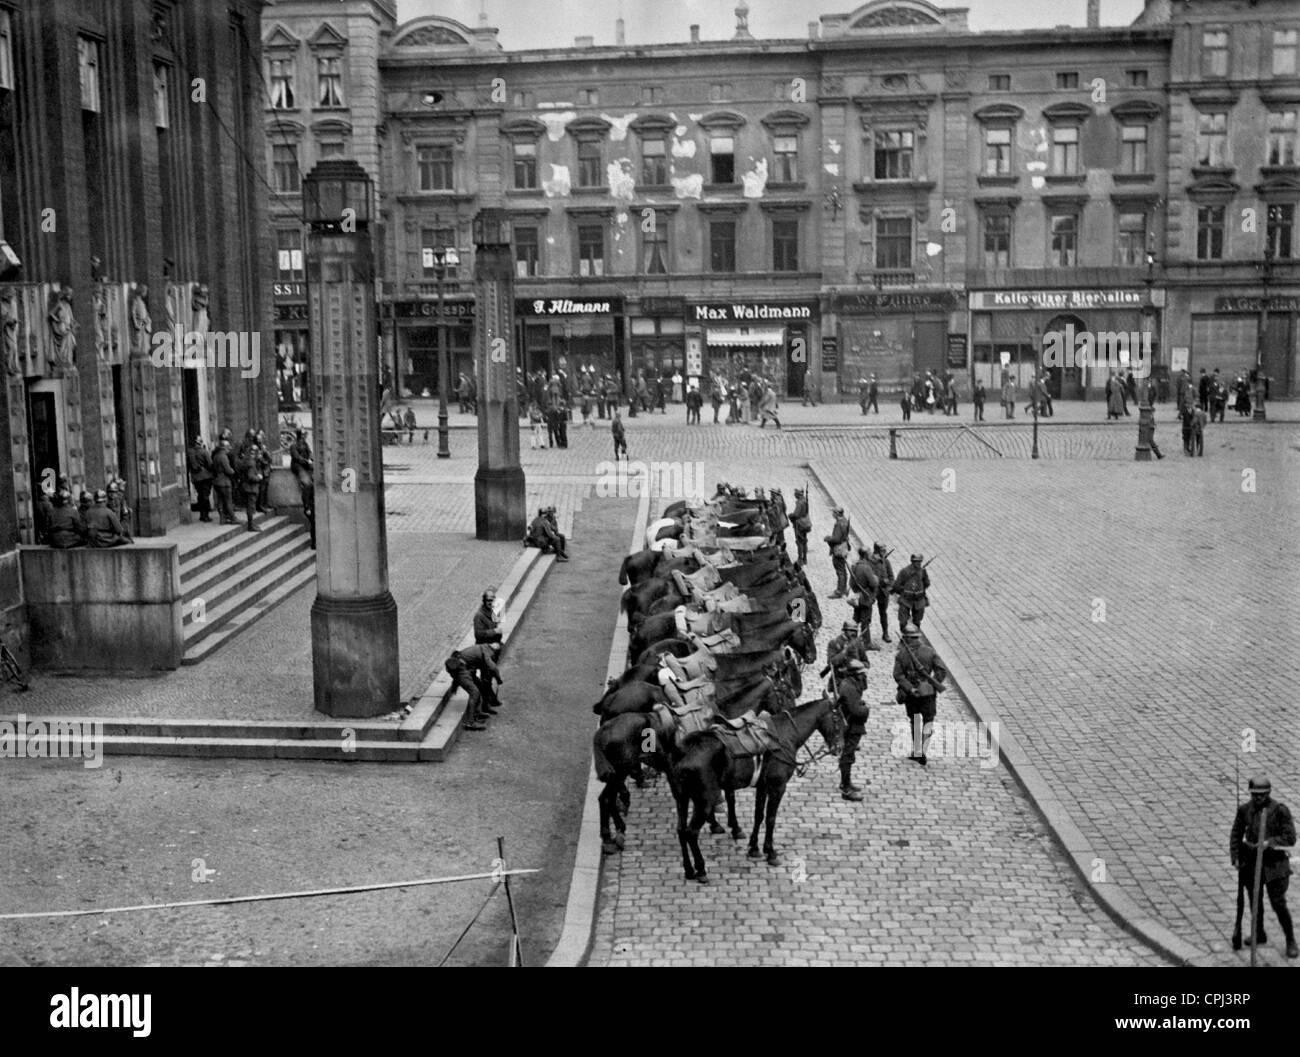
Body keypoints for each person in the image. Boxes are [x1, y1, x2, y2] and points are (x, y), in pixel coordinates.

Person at [1230, 775, 1298, 957]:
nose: (1258, 798)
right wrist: (1236, 857)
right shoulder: (1244, 810)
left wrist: (1270, 842)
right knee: (1255, 901)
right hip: (1252, 863)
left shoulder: (1280, 810)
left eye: (1262, 795)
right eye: (1255, 795)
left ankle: (1290, 939)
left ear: (1268, 793)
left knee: (1278, 903)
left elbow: (1290, 838)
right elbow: (1236, 834)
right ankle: (1258, 933)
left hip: (1275, 865)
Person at [893, 623, 948, 765]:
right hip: (928, 694)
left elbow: (898, 676)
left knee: (915, 721)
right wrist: (931, 684)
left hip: (912, 695)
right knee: (928, 721)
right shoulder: (929, 651)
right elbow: (941, 670)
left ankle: (918, 751)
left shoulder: (902, 654)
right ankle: (923, 750)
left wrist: (910, 688)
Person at [447, 642, 502, 732]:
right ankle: (470, 722)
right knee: (474, 693)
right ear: (496, 650)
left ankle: (478, 712)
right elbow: (493, 667)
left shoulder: (484, 647)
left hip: (465, 669)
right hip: (462, 671)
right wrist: (499, 680)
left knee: (480, 686)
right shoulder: (488, 652)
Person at [836, 660, 871, 802]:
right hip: (851, 725)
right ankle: (846, 788)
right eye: (861, 674)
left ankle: (846, 782)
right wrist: (866, 708)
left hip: (851, 724)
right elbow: (855, 711)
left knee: (848, 755)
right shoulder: (849, 687)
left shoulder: (850, 684)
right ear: (855, 675)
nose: (863, 677)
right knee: (847, 756)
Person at [848, 547, 880, 648]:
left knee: (856, 618)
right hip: (865, 598)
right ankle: (866, 643)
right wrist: (876, 578)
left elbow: (851, 583)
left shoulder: (855, 566)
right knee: (865, 620)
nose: (871, 555)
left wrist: (857, 591)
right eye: (869, 554)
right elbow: (874, 583)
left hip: (857, 597)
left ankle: (851, 638)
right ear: (866, 555)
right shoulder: (866, 568)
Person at [890, 553, 931, 629]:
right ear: (912, 562)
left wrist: (920, 589)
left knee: (917, 622)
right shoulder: (904, 571)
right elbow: (897, 586)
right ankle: (904, 637)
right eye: (916, 562)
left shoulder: (923, 571)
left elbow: (927, 583)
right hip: (906, 600)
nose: (918, 563)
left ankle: (915, 638)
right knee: (903, 621)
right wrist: (905, 591)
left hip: (919, 600)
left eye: (920, 562)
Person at [289, 429, 315, 548]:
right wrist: (306, 461)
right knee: (307, 482)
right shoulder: (293, 446)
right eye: (303, 435)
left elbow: (309, 452)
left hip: (306, 465)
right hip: (298, 466)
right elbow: (296, 457)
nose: (305, 437)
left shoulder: (305, 444)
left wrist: (310, 460)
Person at [825, 621, 871, 685]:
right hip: (839, 678)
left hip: (855, 678)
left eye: (855, 631)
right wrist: (844, 652)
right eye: (851, 631)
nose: (853, 633)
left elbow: (867, 663)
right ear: (845, 631)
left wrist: (860, 664)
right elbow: (831, 662)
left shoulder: (858, 644)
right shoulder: (834, 643)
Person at [866, 542, 894, 643]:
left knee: (883, 613)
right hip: (872, 591)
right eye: (882, 551)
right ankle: (865, 635)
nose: (884, 552)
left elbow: (891, 577)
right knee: (867, 613)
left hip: (883, 592)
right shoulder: (869, 562)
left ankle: (885, 633)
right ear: (876, 551)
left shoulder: (886, 562)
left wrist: (889, 585)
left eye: (884, 551)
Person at [237, 440, 264, 532]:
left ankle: (251, 524)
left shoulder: (245, 460)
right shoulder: (251, 463)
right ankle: (250, 525)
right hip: (251, 488)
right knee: (250, 507)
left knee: (250, 507)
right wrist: (259, 477)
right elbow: (251, 477)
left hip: (245, 487)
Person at [824, 506, 850, 599]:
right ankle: (844, 588)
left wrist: (828, 538)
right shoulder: (845, 520)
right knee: (842, 570)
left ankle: (839, 591)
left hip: (839, 549)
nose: (832, 514)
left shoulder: (839, 524)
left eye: (834, 512)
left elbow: (836, 539)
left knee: (840, 571)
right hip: (844, 547)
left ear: (837, 514)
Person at [187, 435, 214, 523]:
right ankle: (205, 515)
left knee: (200, 495)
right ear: (200, 442)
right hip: (206, 477)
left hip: (196, 477)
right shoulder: (204, 452)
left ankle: (202, 514)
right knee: (205, 495)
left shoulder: (189, 452)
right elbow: (210, 464)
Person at [211, 438, 237, 525]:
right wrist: (233, 471)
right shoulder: (223, 457)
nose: (229, 448)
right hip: (224, 482)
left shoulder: (215, 456)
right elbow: (228, 470)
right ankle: (233, 518)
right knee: (228, 501)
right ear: (224, 447)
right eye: (228, 446)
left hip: (217, 482)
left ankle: (222, 518)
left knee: (220, 501)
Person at [790, 486, 811, 567]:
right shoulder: (805, 500)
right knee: (804, 541)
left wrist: (790, 515)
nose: (794, 494)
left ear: (798, 494)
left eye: (795, 492)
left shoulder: (800, 502)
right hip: (805, 524)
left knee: (799, 542)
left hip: (799, 524)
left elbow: (796, 514)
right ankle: (805, 558)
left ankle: (800, 559)